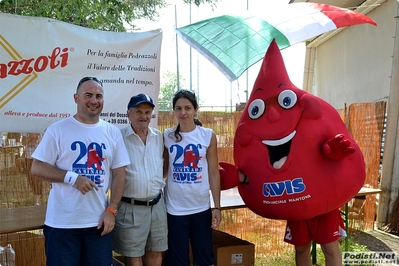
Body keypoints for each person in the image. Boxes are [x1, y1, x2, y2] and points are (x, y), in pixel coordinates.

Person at [31, 76, 130, 266]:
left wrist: (112, 210)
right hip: (62, 225)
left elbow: (119, 174)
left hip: (98, 225)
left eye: (98, 96)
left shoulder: (112, 132)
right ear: (76, 98)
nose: (94, 100)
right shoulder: (58, 130)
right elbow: (37, 167)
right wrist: (72, 178)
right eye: (88, 95)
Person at [163, 89, 222, 266]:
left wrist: (217, 207)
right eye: (178, 108)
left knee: (204, 258)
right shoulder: (167, 136)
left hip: (200, 207)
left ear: (196, 109)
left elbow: (213, 172)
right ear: (173, 111)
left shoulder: (207, 135)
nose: (183, 112)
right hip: (174, 209)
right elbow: (164, 170)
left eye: (188, 108)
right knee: (177, 260)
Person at [112, 93, 167, 266]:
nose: (143, 116)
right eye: (138, 112)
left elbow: (165, 165)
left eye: (147, 112)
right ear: (129, 114)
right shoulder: (117, 137)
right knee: (134, 257)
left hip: (157, 206)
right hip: (130, 207)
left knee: (156, 253)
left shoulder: (159, 137)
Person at [21, 133, 43, 205]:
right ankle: (36, 194)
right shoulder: (25, 130)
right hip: (29, 156)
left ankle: (37, 198)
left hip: (39, 156)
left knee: (37, 178)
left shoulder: (41, 128)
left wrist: (34, 137)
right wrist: (30, 137)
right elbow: (24, 143)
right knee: (30, 177)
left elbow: (44, 141)